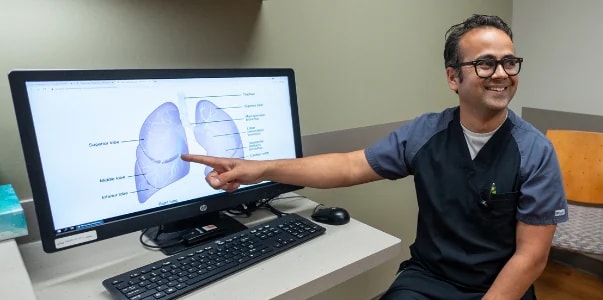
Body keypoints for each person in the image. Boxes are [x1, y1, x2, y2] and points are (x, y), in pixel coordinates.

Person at [181, 14, 568, 300]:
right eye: (485, 63)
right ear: (454, 78)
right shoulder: (425, 133)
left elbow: (530, 258)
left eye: (509, 62)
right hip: (428, 279)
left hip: (500, 286)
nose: (501, 73)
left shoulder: (535, 152)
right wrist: (262, 168)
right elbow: (349, 165)